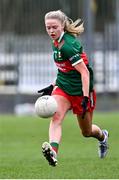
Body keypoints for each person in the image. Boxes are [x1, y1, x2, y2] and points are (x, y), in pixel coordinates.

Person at [38, 10, 109, 167]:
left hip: (81, 91)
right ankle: (53, 152)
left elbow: (84, 72)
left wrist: (84, 97)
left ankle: (103, 137)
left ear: (62, 25)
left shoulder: (68, 45)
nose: (51, 31)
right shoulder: (55, 42)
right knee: (56, 117)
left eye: (54, 27)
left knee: (87, 132)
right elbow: (64, 69)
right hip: (64, 87)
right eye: (48, 27)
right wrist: (53, 85)